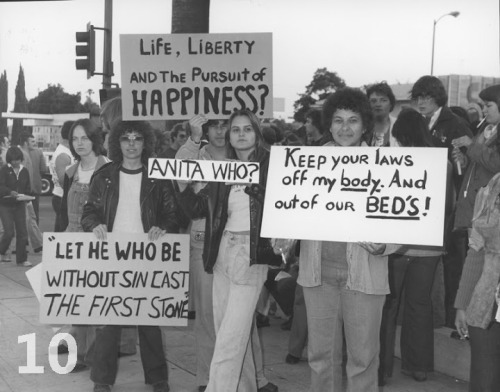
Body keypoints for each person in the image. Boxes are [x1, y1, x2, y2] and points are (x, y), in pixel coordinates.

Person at [296, 87, 400, 392]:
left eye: (352, 120)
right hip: (318, 276)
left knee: (363, 359)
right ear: (328, 124)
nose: (345, 128)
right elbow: (289, 211)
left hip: (365, 276)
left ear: (364, 125)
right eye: (338, 120)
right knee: (320, 357)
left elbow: (403, 219)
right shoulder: (306, 162)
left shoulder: (384, 164)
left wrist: (385, 245)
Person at [177, 109, 281, 392]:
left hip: (251, 255)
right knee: (230, 333)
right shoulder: (223, 167)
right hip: (221, 251)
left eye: (247, 129)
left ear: (257, 133)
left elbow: (286, 208)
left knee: (229, 340)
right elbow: (199, 208)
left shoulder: (273, 165)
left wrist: (256, 190)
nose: (241, 134)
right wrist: (182, 184)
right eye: (236, 130)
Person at [81, 120, 179, 392]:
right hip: (112, 258)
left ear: (146, 142)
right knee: (109, 325)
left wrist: (165, 228)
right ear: (117, 143)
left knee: (149, 323)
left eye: (138, 138)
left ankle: (158, 379)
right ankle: (102, 381)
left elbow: (172, 215)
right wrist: (94, 225)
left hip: (148, 257)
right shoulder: (104, 176)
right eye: (126, 138)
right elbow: (89, 212)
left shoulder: (158, 176)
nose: (132, 143)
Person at [378, 109, 453, 384]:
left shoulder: (391, 162)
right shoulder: (441, 164)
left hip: (396, 246)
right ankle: (418, 367)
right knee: (420, 306)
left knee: (387, 305)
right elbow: (448, 206)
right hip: (430, 246)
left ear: (401, 136)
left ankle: (381, 368)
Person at [57, 118, 109, 372]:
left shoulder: (109, 169)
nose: (79, 143)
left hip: (100, 241)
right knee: (76, 302)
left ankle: (99, 358)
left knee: (98, 302)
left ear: (94, 139)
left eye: (84, 138)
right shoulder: (70, 172)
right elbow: (63, 213)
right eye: (75, 139)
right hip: (73, 240)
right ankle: (78, 355)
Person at [451, 84, 500, 329]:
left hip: (492, 216)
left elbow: (495, 163)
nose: (484, 110)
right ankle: (470, 319)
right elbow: (480, 164)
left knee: (485, 268)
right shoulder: (484, 128)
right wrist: (465, 158)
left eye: (488, 106)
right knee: (473, 265)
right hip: (474, 207)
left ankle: (484, 321)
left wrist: (472, 146)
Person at [454, 169, 500, 391]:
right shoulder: (493, 187)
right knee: (484, 380)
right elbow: (476, 250)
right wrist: (462, 304)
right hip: (486, 303)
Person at [0, 146, 32, 267]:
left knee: (22, 232)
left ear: (21, 159)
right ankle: (1, 251)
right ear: (9, 160)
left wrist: (28, 196)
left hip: (20, 204)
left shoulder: (25, 171)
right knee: (8, 232)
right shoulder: (4, 170)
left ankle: (22, 259)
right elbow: (1, 187)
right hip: (5, 205)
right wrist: (10, 192)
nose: (15, 162)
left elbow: (28, 187)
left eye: (17, 159)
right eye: (13, 160)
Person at [49, 121, 74, 232]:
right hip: (62, 198)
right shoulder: (63, 155)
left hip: (62, 197)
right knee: (62, 232)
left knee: (61, 231)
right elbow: (63, 181)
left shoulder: (66, 152)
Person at [366, 82, 398, 147]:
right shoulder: (362, 127)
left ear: (391, 103)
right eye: (373, 101)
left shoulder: (400, 126)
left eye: (383, 100)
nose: (378, 104)